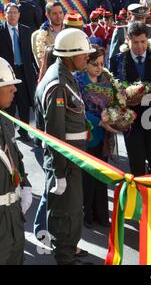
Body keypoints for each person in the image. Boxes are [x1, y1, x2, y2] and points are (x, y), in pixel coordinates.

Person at [35, 28, 96, 265]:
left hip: (73, 160)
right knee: (65, 215)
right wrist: (59, 172)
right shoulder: (58, 84)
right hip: (65, 164)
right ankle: (65, 258)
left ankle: (69, 254)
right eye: (83, 54)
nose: (86, 58)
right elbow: (55, 133)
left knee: (72, 212)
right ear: (69, 55)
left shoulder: (65, 75)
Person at [110, 22, 151, 180]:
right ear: (128, 40)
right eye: (135, 42)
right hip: (131, 122)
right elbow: (113, 90)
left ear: (148, 39)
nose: (140, 46)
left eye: (143, 42)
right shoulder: (117, 61)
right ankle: (139, 203)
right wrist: (125, 100)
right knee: (137, 166)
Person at [75, 46, 117, 228]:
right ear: (86, 64)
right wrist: (100, 121)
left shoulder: (106, 81)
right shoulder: (79, 82)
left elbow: (115, 103)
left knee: (102, 177)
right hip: (89, 133)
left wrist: (115, 117)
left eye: (102, 63)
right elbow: (79, 110)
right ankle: (87, 216)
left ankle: (102, 215)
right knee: (88, 178)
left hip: (104, 136)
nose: (99, 68)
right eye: (95, 64)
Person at [0, 57, 32, 264]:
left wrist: (26, 186)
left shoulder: (6, 121)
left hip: (13, 216)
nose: (14, 89)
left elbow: (16, 159)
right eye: (6, 85)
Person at [0, 3, 37, 143]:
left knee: (24, 102)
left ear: (19, 14)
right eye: (9, 12)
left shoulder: (27, 31)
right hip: (7, 72)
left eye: (15, 12)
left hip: (24, 71)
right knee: (9, 103)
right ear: (5, 14)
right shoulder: (1, 30)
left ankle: (24, 130)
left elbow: (32, 54)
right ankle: (8, 131)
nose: (13, 15)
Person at [31, 1, 65, 69]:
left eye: (60, 12)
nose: (58, 16)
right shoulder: (37, 36)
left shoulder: (70, 31)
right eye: (54, 13)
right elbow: (41, 64)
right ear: (47, 15)